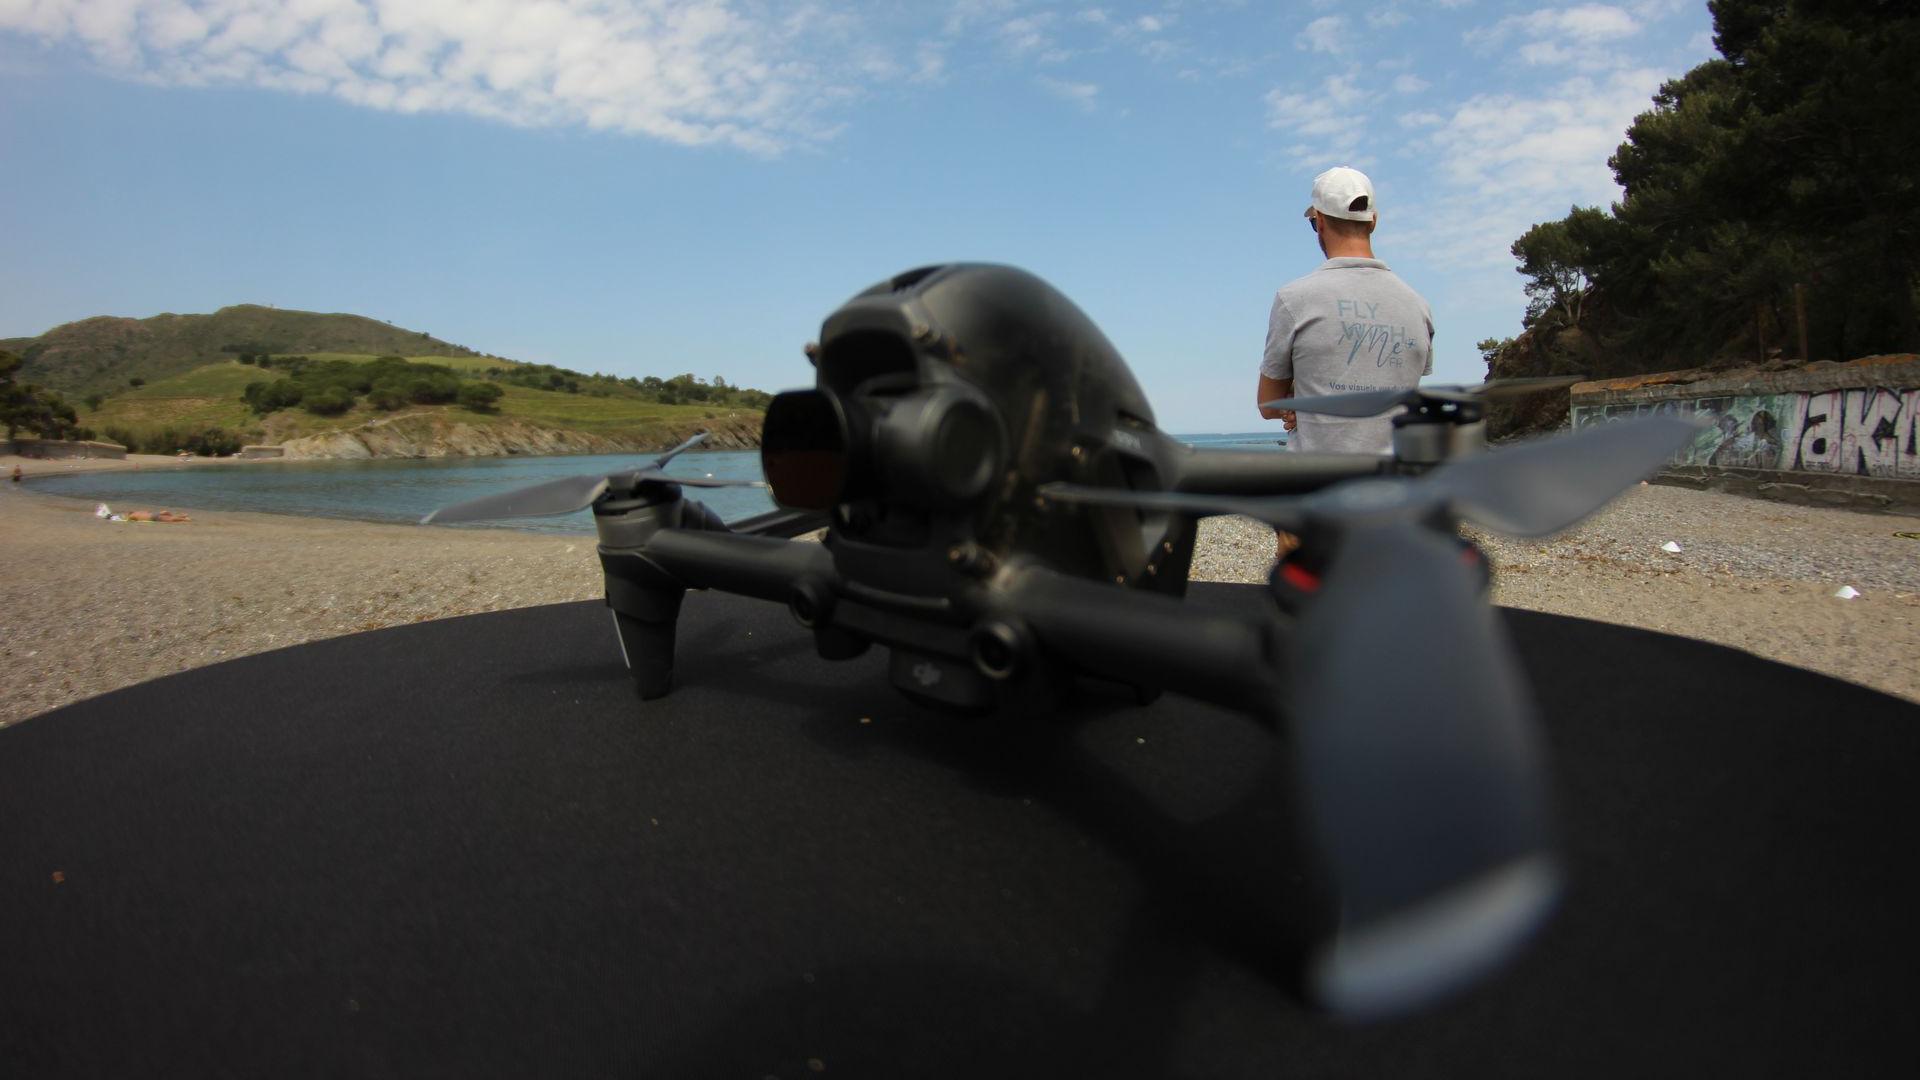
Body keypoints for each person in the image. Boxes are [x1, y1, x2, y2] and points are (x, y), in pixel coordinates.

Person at [1257, 165, 1434, 455]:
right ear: (1373, 221)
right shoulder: (1418, 306)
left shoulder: (1294, 299)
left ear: (1321, 221)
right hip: (1397, 487)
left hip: (1318, 486)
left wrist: (1299, 402)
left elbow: (1268, 404)